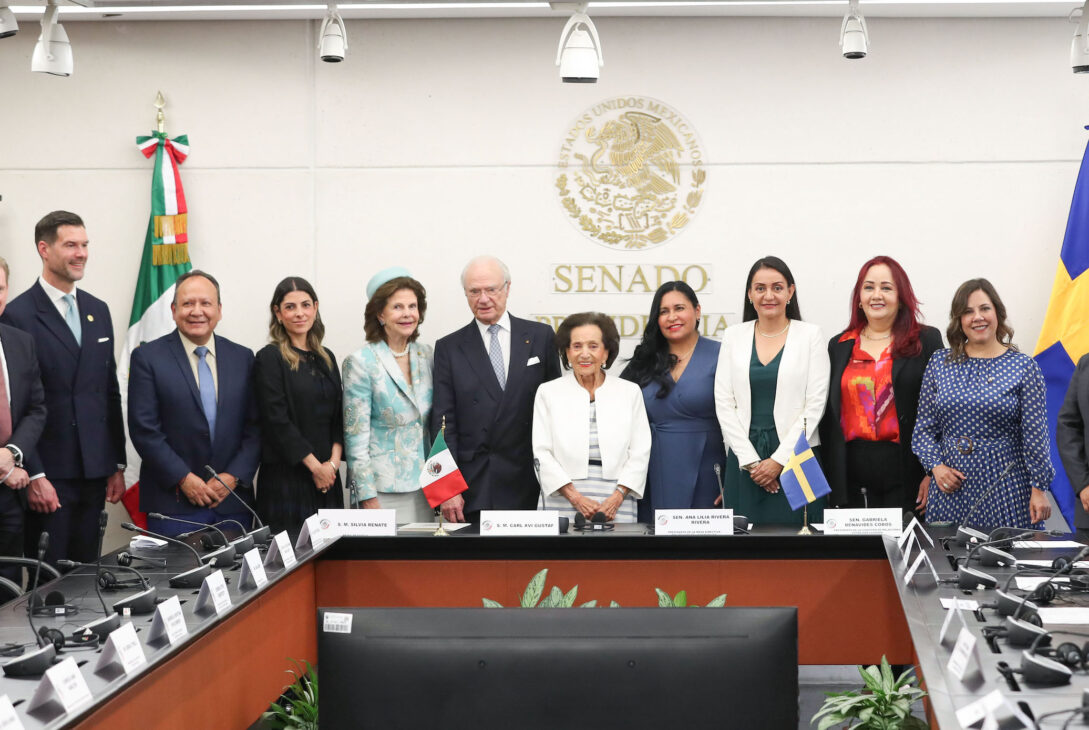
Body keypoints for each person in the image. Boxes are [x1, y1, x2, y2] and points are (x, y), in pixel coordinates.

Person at [1, 211, 126, 566]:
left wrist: (116, 462)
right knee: (49, 583)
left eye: (85, 245)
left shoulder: (97, 310)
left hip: (95, 472)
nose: (81, 253)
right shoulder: (18, 314)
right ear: (44, 249)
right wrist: (36, 473)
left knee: (87, 578)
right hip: (47, 474)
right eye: (70, 245)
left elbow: (108, 390)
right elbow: (20, 406)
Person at [128, 270, 261, 537]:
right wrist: (184, 479)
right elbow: (145, 430)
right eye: (188, 304)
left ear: (219, 310)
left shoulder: (243, 357)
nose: (197, 311)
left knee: (236, 579)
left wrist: (232, 478)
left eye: (206, 303)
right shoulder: (147, 358)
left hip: (233, 503)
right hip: (173, 504)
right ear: (174, 310)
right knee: (179, 579)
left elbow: (256, 428)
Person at [912, 278, 1053, 530]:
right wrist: (936, 467)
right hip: (949, 486)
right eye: (967, 311)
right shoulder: (939, 363)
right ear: (958, 320)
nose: (977, 317)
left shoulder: (1024, 367)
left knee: (1008, 560)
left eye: (984, 308)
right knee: (948, 561)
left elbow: (1036, 436)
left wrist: (1039, 487)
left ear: (997, 312)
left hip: (1006, 485)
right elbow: (923, 430)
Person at [430, 255, 561, 524]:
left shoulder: (540, 336)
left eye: (491, 289)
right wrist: (445, 488)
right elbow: (443, 422)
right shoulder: (449, 347)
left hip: (531, 482)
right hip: (473, 485)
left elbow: (555, 413)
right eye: (474, 291)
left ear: (507, 288)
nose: (483, 298)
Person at [819, 256, 944, 514]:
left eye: (886, 288)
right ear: (859, 299)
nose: (877, 295)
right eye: (869, 287)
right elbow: (828, 417)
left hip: (907, 469)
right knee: (856, 553)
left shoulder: (926, 340)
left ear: (901, 297)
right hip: (850, 471)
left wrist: (933, 471)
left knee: (903, 551)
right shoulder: (838, 345)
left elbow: (943, 410)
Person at [714, 256, 829, 525]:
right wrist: (754, 464)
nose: (769, 295)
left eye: (777, 287)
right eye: (760, 288)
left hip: (798, 456)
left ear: (790, 292)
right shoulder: (733, 336)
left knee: (803, 547)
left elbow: (815, 405)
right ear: (749, 294)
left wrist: (778, 461)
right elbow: (723, 403)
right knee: (743, 550)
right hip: (745, 459)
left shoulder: (811, 336)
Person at [621, 281, 725, 521]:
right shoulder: (643, 361)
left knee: (705, 552)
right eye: (663, 311)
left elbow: (743, 419)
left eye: (679, 308)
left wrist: (735, 482)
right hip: (653, 471)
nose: (672, 317)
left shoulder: (723, 354)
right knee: (656, 553)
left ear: (697, 311)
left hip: (710, 471)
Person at [534, 312, 650, 523]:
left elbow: (640, 451)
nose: (584, 354)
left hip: (617, 499)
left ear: (606, 353)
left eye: (593, 346)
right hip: (561, 495)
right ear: (567, 353)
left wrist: (617, 497)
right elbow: (540, 453)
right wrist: (576, 498)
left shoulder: (629, 392)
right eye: (576, 346)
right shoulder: (548, 392)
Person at [254, 277, 344, 538]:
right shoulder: (269, 358)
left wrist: (332, 466)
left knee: (332, 564)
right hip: (287, 481)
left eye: (305, 305)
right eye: (290, 307)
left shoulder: (327, 357)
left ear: (315, 308)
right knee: (291, 564)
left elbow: (339, 418)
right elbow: (277, 421)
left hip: (328, 480)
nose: (299, 313)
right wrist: (316, 468)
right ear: (278, 313)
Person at [342, 268, 434, 524]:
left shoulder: (427, 355)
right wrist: (367, 495)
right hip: (382, 491)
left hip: (426, 486)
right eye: (397, 307)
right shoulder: (360, 362)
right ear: (380, 314)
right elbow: (355, 437)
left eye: (413, 306)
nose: (407, 314)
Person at [0, 257, 47, 582]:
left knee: (10, 590)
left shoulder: (19, 341)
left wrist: (12, 453)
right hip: (7, 475)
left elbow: (35, 408)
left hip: (8, 499)